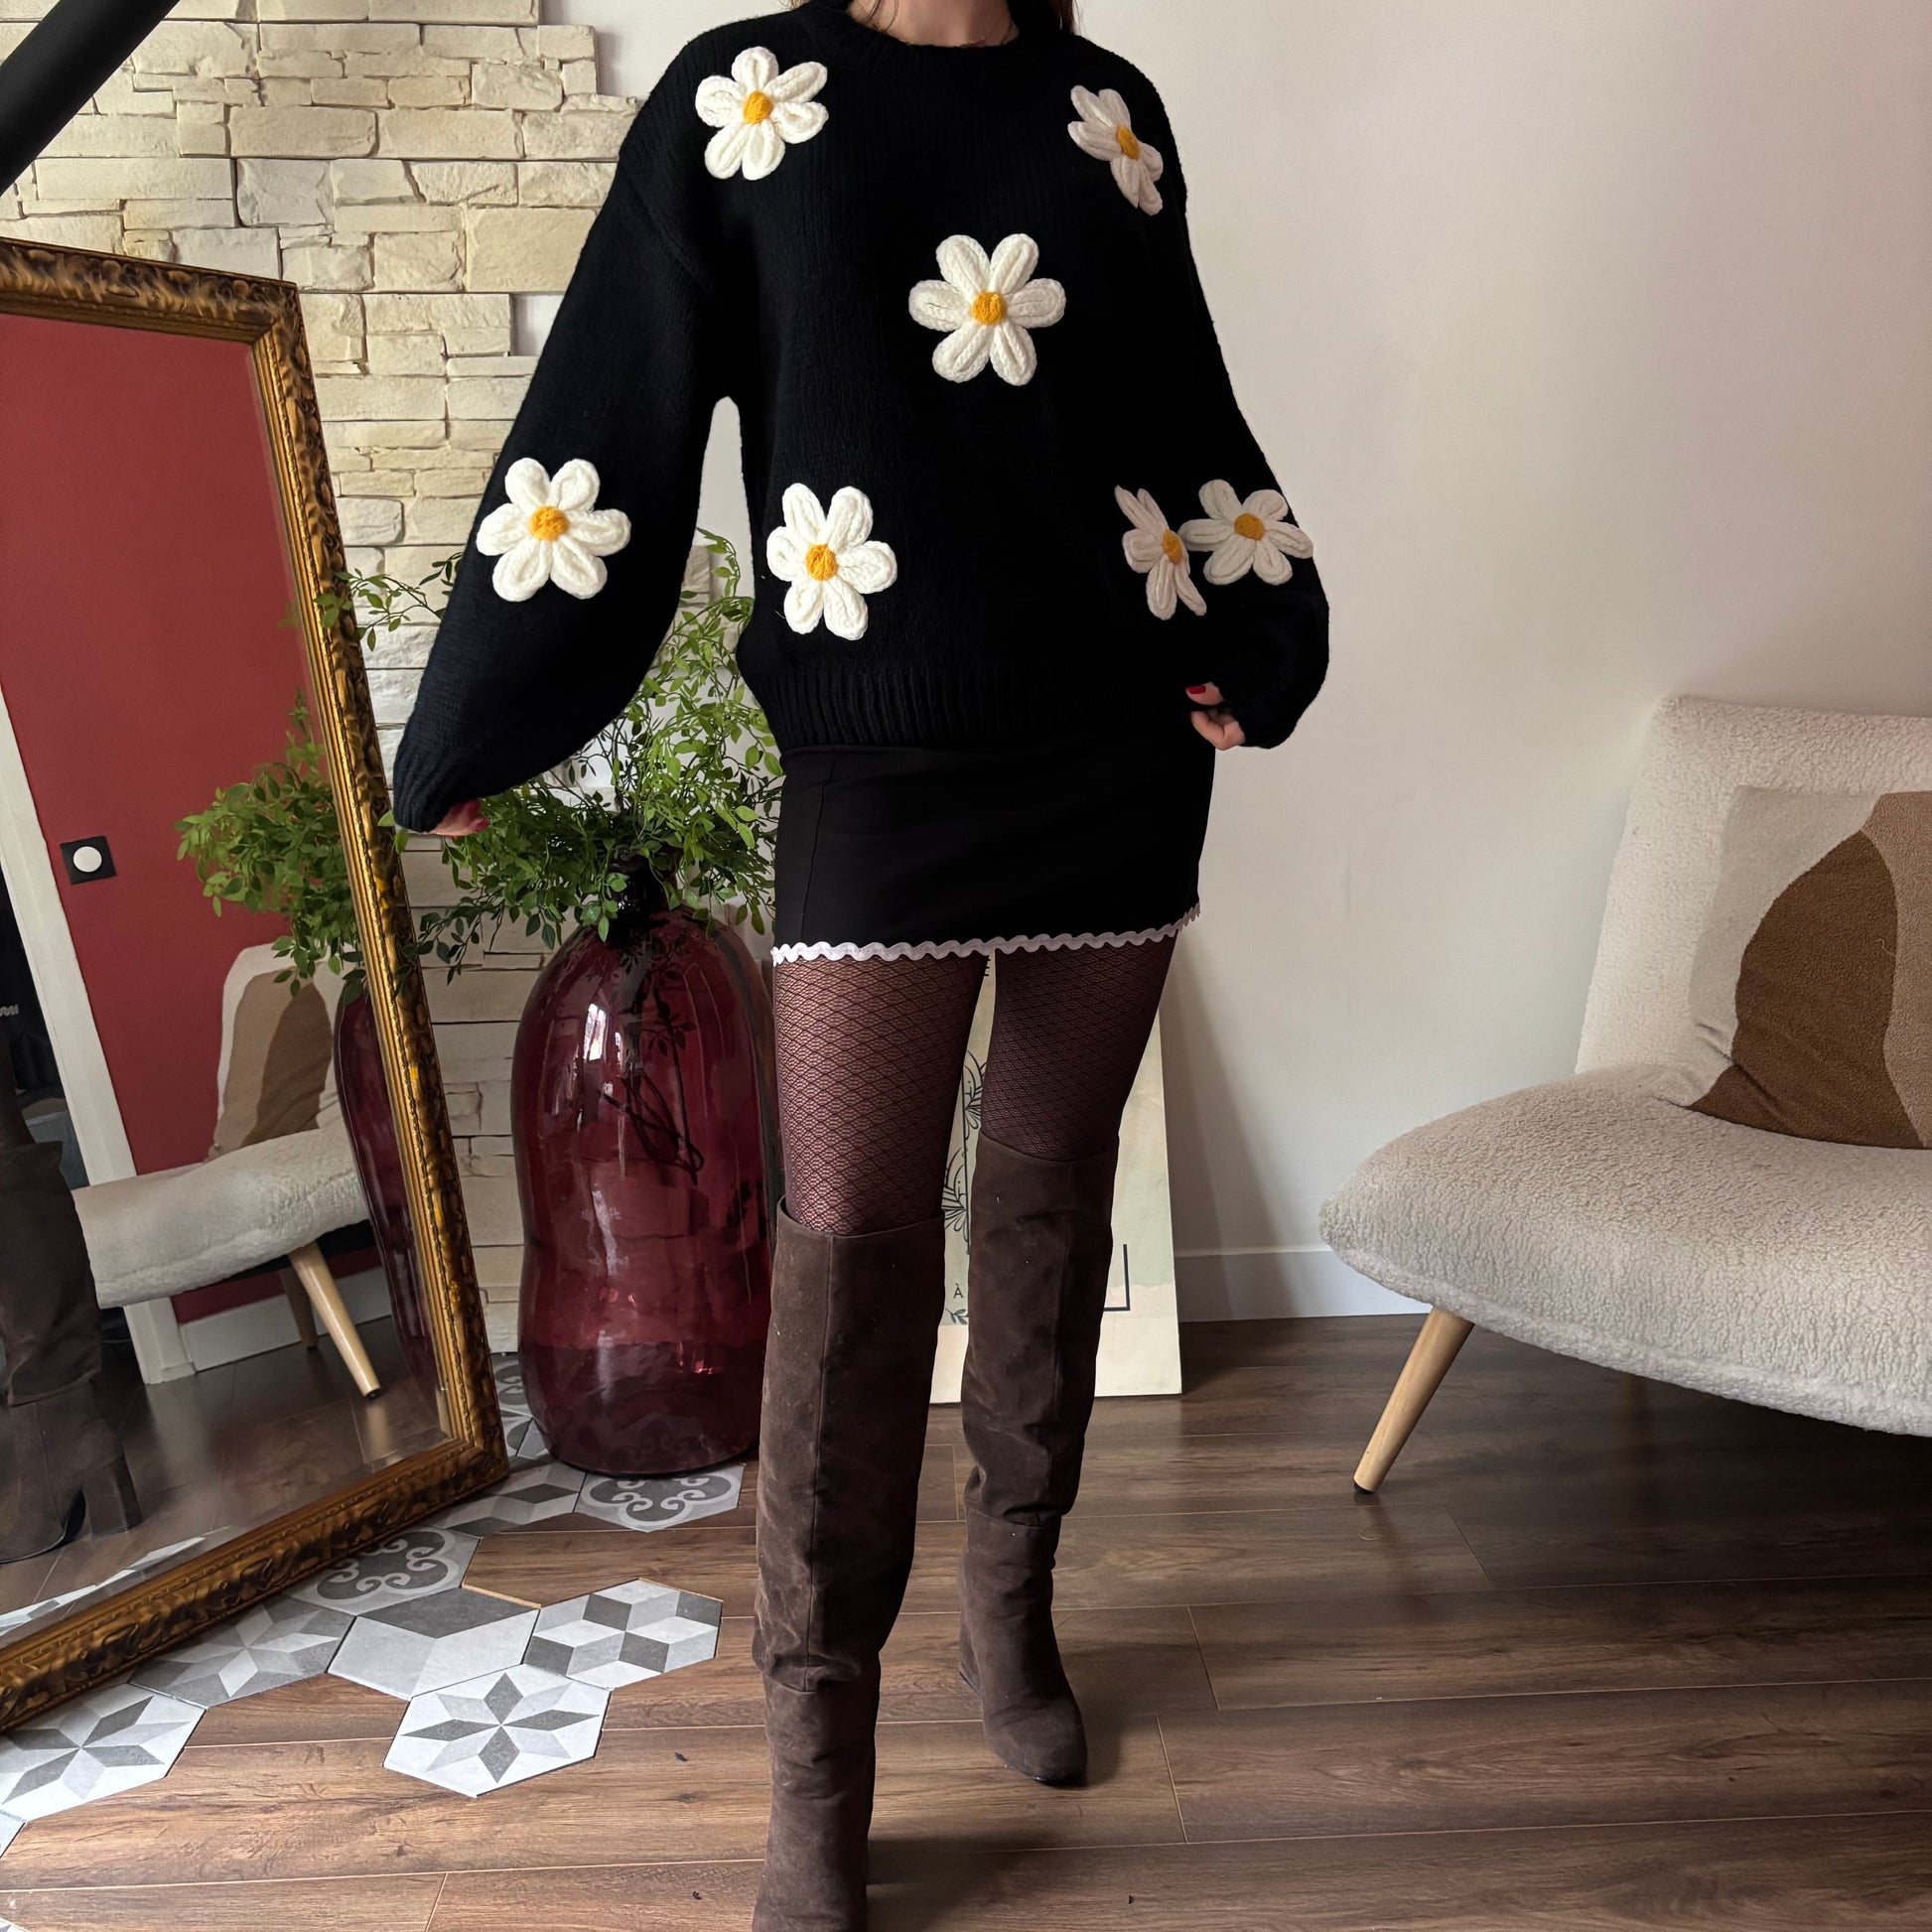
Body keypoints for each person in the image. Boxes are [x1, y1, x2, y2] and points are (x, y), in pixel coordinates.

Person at [390, 0, 1326, 1923]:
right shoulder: (748, 102)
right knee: (848, 1255)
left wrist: (1264, 633)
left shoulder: (1103, 108)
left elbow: (1182, 405)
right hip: (878, 762)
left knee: (1050, 1202)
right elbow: (614, 406)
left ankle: (1010, 1605)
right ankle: (817, 1756)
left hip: (1117, 753)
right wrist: (493, 704)